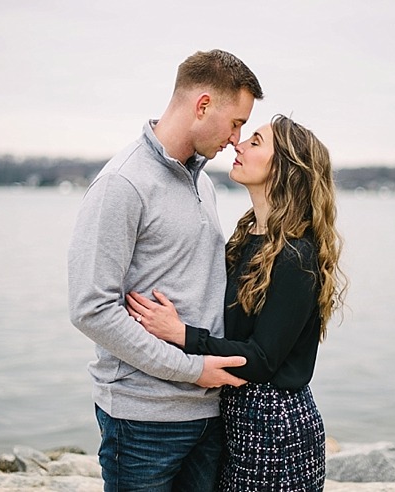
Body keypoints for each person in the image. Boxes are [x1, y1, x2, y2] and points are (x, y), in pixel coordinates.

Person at [67, 49, 264, 492]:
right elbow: (90, 309)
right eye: (236, 123)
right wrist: (192, 370)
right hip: (142, 421)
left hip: (209, 411)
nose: (237, 138)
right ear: (203, 105)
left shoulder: (204, 181)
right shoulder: (123, 183)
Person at [125, 114, 347, 491]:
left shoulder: (297, 256)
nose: (238, 144)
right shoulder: (246, 239)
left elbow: (261, 359)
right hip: (236, 417)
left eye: (256, 141)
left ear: (286, 169)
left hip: (275, 428)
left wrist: (183, 334)